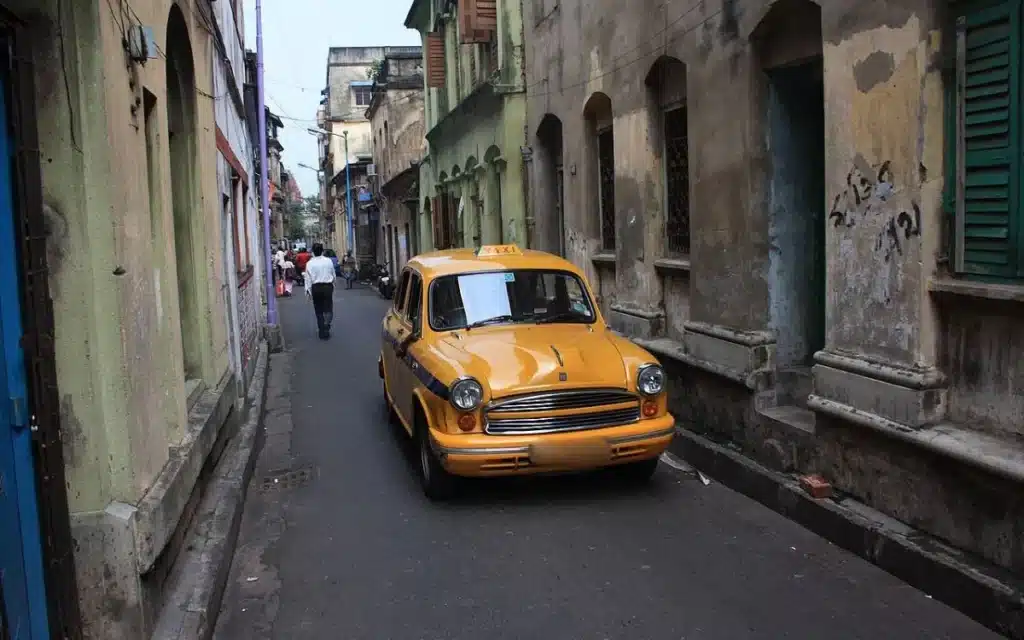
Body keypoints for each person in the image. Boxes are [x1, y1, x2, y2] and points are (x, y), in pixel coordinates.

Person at [304, 242, 337, 339]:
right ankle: (327, 324)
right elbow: (333, 273)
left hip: (316, 287)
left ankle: (322, 330)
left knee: (318, 309)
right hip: (327, 286)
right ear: (322, 251)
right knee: (328, 307)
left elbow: (308, 279)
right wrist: (334, 283)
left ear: (313, 252)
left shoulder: (310, 263)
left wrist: (308, 291)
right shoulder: (328, 261)